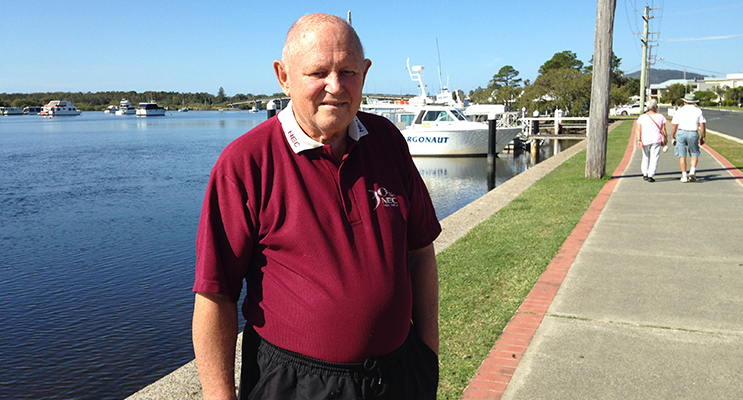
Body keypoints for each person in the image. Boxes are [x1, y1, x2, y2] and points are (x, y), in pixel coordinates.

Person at [192, 13, 441, 400]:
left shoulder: (388, 141)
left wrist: (427, 356)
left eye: (348, 72)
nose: (335, 86)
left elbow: (420, 250)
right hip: (295, 383)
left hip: (398, 376)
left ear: (365, 73)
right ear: (284, 77)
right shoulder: (246, 164)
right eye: (318, 72)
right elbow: (215, 295)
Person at [671, 93, 706, 182]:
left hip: (681, 132)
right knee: (694, 153)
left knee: (682, 155)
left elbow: (674, 125)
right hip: (693, 132)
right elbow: (702, 124)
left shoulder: (679, 110)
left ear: (685, 102)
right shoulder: (698, 111)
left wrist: (672, 136)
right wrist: (703, 136)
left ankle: (684, 175)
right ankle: (692, 170)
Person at [635, 98, 667, 182]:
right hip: (656, 139)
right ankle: (651, 174)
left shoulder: (642, 117)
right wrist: (665, 139)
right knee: (654, 157)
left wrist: (639, 140)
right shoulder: (660, 116)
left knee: (645, 156)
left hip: (645, 139)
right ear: (655, 107)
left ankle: (645, 173)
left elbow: (638, 129)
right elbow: (663, 129)